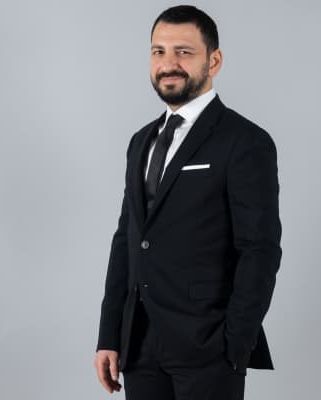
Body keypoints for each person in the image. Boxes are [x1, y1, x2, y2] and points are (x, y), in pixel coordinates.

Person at [94, 5, 282, 400]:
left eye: (183, 51)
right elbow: (127, 240)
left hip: (208, 347)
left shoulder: (245, 141)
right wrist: (109, 335)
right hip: (139, 345)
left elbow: (260, 249)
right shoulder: (141, 141)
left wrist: (235, 343)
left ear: (214, 61)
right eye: (158, 51)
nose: (168, 64)